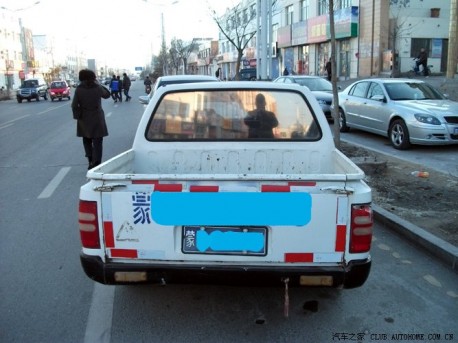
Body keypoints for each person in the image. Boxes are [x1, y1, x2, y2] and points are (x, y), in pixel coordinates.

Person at [71, 69, 111, 169]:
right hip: (97, 117)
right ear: (93, 77)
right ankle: (97, 163)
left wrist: (78, 116)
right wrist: (99, 84)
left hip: (84, 118)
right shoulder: (97, 87)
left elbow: (74, 105)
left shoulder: (79, 89)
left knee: (86, 140)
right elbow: (107, 95)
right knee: (98, 141)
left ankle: (90, 160)